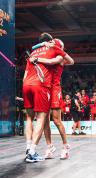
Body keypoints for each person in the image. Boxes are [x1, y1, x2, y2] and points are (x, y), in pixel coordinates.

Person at [23, 33, 66, 162]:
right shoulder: (51, 49)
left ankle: (28, 146)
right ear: (50, 41)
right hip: (40, 86)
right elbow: (68, 60)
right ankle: (32, 151)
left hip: (26, 85)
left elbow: (25, 75)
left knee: (29, 118)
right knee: (42, 118)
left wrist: (37, 59)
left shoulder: (32, 54)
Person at [30, 37, 74, 159]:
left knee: (56, 120)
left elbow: (70, 61)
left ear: (58, 46)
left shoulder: (59, 58)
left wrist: (37, 59)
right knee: (44, 121)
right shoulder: (48, 54)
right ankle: (49, 147)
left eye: (53, 44)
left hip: (55, 89)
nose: (50, 45)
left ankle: (65, 146)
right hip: (45, 88)